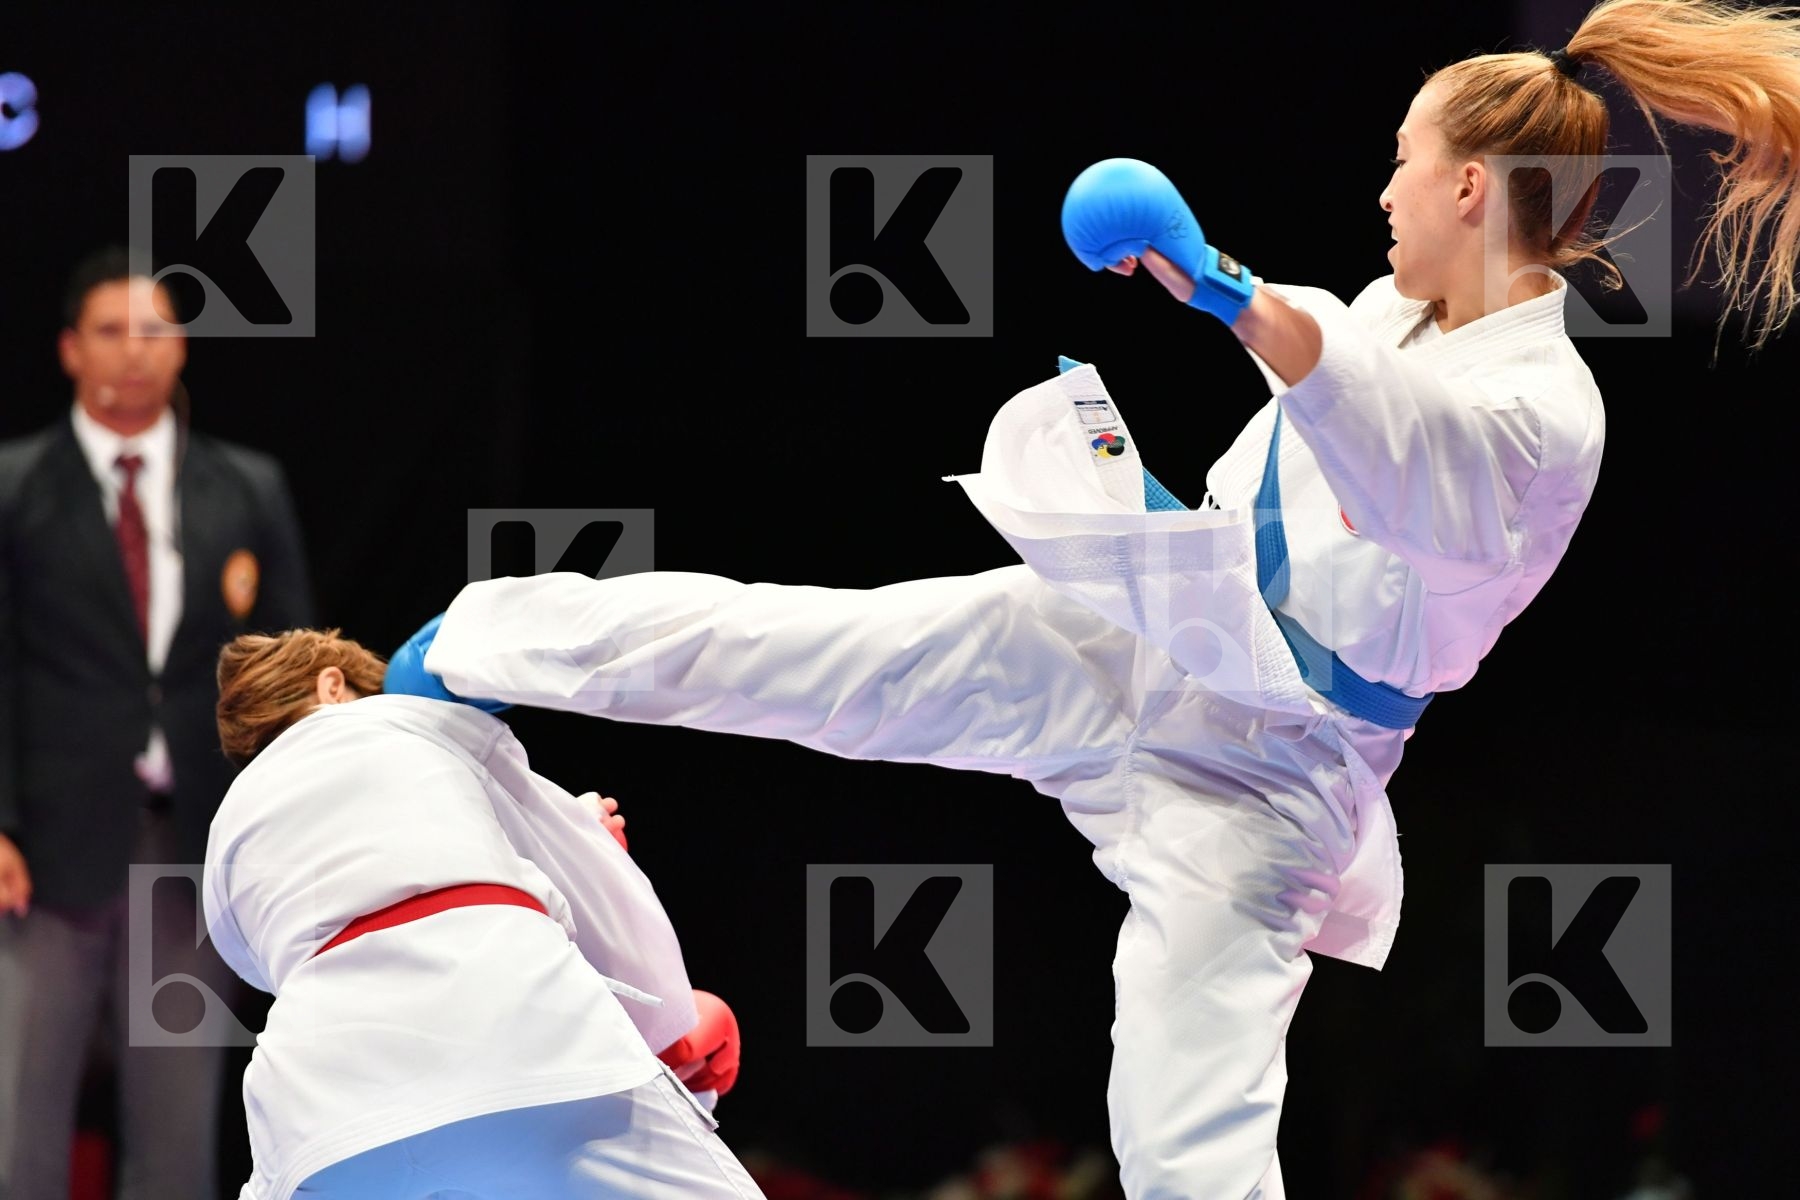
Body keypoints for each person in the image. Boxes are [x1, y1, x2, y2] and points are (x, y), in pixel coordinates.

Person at [385, 1, 1800, 1195]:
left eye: (1404, 161)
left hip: (1268, 786)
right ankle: (479, 640)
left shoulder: (1549, 411)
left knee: (1185, 1148)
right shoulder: (1391, 316)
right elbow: (1322, 421)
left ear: (1472, 189)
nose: (1386, 190)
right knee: (811, 646)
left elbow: (1395, 458)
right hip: (1150, 636)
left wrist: (1230, 293)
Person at [204, 628, 761, 1200]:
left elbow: (265, 969)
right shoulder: (414, 725)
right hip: (524, 1044)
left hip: (319, 1112)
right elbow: (592, 883)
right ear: (332, 686)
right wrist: (672, 1028)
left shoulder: (224, 838)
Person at [0, 245, 316, 1199]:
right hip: (38, 859)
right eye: (110, 331)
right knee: (18, 1139)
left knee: (178, 1149)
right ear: (68, 350)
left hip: (192, 851)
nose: (133, 352)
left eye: (155, 330)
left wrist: (286, 826)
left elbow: (291, 672)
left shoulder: (246, 488)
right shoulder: (13, 487)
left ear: (181, 349)